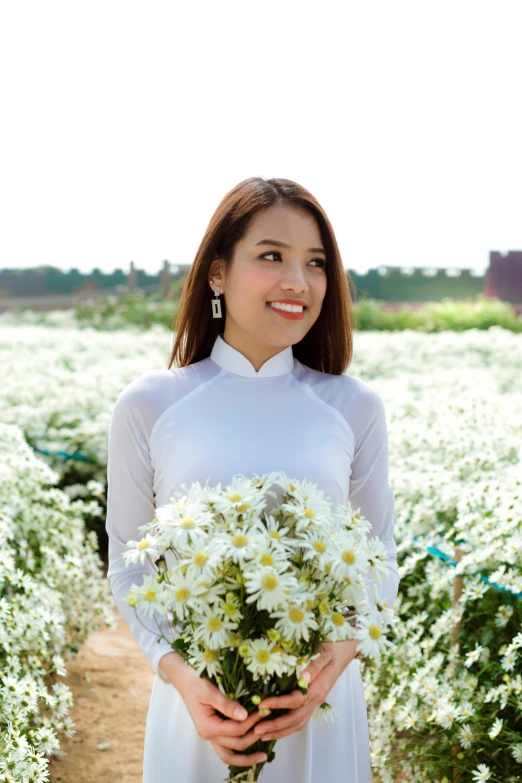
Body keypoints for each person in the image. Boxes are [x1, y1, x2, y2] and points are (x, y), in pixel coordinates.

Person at [105, 176, 400, 782]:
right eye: (272, 256)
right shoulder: (149, 405)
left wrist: (328, 669)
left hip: (321, 713)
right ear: (217, 273)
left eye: (315, 263)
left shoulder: (354, 407)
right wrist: (185, 681)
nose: (298, 281)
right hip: (201, 714)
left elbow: (380, 561)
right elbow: (130, 567)